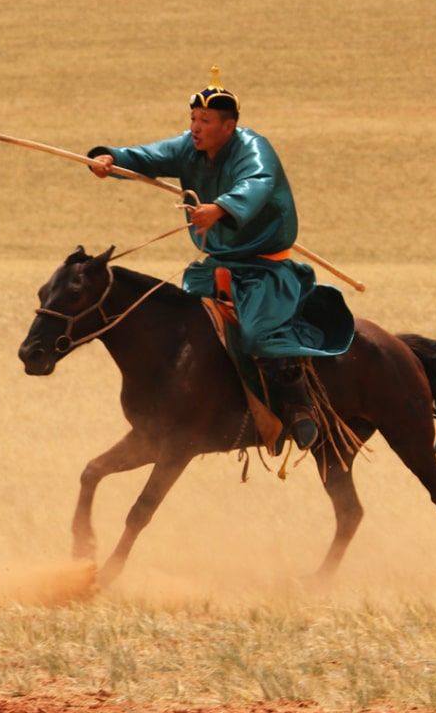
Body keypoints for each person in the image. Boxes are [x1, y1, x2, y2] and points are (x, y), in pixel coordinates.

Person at [86, 69, 354, 451]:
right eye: (193, 120)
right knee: (188, 325)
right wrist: (110, 158)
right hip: (216, 266)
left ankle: (298, 405)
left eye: (205, 121)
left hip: (265, 267)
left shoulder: (254, 149)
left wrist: (221, 209)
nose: (195, 128)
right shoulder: (188, 148)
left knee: (259, 332)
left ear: (228, 127)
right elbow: (148, 156)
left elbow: (257, 183)